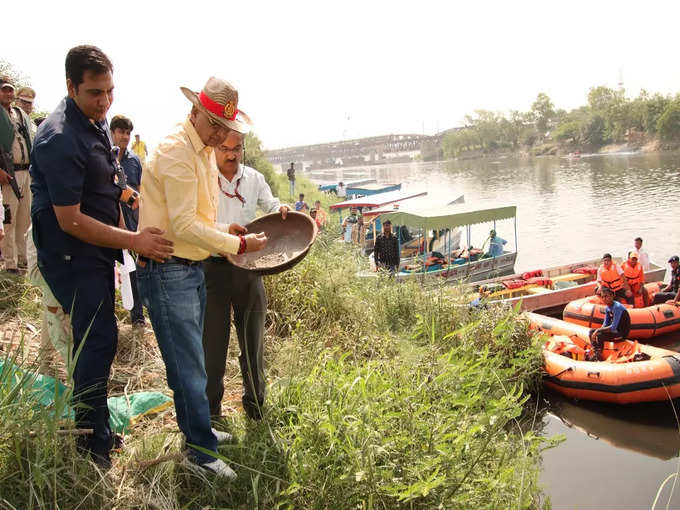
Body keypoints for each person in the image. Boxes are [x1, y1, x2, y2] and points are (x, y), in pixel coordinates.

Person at [30, 45, 174, 468]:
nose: (106, 101)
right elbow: (70, 219)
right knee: (97, 340)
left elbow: (102, 180)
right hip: (71, 253)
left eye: (110, 91)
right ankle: (91, 441)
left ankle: (95, 428)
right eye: (95, 92)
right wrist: (134, 242)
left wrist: (126, 201)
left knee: (98, 339)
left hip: (95, 248)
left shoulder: (94, 120)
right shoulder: (59, 137)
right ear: (70, 86)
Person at [136, 76, 266, 480]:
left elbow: (202, 216)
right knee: (189, 367)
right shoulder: (177, 151)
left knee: (193, 362)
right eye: (214, 125)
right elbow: (184, 224)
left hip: (190, 265)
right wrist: (237, 247)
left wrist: (226, 232)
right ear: (194, 112)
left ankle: (199, 430)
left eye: (227, 129)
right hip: (169, 269)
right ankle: (199, 455)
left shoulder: (203, 148)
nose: (221, 135)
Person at [203, 128, 288, 422]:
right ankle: (212, 412)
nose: (231, 154)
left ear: (243, 149)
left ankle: (255, 405)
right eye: (225, 148)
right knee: (211, 345)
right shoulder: (203, 179)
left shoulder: (253, 179)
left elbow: (272, 205)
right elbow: (196, 222)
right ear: (213, 148)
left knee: (253, 342)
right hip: (212, 269)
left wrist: (282, 209)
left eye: (236, 148)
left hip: (249, 268)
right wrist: (226, 233)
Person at [110, 114, 145, 326]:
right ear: (113, 133)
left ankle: (138, 317)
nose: (125, 137)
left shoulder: (134, 161)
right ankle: (109, 315)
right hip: (108, 220)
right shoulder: (105, 157)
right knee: (107, 269)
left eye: (128, 133)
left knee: (132, 268)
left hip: (130, 223)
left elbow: (139, 192)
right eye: (121, 132)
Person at [0, 75, 34, 274]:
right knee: (9, 219)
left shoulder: (19, 114)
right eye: (4, 89)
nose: (8, 93)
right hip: (8, 174)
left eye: (10, 89)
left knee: (25, 218)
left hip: (26, 172)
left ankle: (23, 260)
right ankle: (10, 263)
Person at [588, 286, 631, 361]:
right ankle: (595, 350)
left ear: (612, 296)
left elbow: (613, 327)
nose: (604, 298)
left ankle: (599, 355)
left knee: (600, 334)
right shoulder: (608, 308)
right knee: (591, 331)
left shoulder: (617, 307)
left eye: (606, 296)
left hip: (621, 334)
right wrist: (597, 331)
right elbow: (605, 323)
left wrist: (598, 331)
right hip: (614, 332)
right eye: (603, 297)